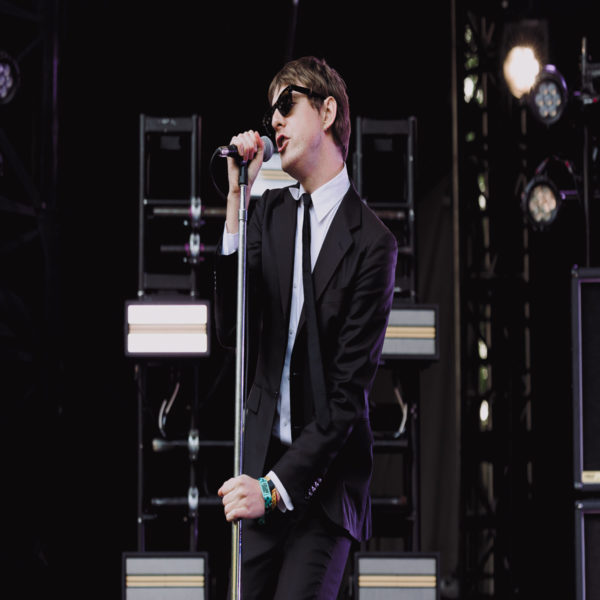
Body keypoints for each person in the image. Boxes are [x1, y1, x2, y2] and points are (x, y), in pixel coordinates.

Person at [215, 56, 397, 599]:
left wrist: (274, 490)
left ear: (327, 111)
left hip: (323, 485)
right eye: (270, 112)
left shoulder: (373, 244)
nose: (274, 120)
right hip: (260, 467)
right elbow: (231, 330)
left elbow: (346, 397)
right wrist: (237, 199)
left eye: (286, 104)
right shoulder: (268, 213)